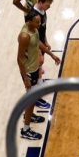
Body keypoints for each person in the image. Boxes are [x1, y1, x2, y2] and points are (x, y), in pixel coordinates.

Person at [18, 10, 46, 140]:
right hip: (29, 71)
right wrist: (25, 79)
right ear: (30, 22)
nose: (39, 24)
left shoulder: (34, 29)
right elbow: (19, 59)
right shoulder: (24, 36)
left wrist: (51, 54)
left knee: (33, 99)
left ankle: (29, 115)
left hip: (35, 68)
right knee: (31, 99)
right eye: (37, 22)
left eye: (39, 21)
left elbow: (38, 43)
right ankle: (26, 130)